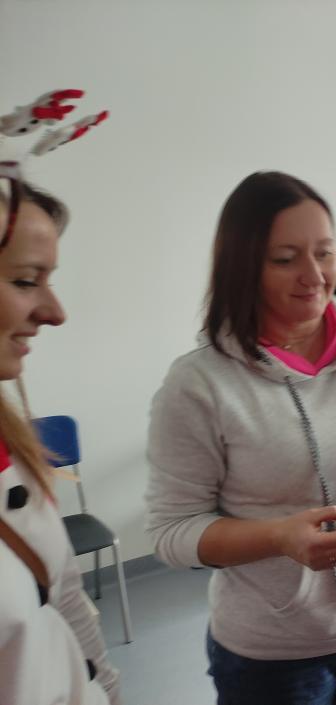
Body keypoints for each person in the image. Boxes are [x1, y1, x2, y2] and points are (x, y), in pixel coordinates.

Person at [145, 171, 336, 705]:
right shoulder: (199, 385)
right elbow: (172, 531)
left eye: (324, 253)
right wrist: (280, 538)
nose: (314, 275)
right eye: (285, 259)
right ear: (243, 268)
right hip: (276, 655)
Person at [0, 174, 122, 704]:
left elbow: (63, 594)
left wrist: (109, 693)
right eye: (26, 280)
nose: (56, 312)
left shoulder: (13, 443)